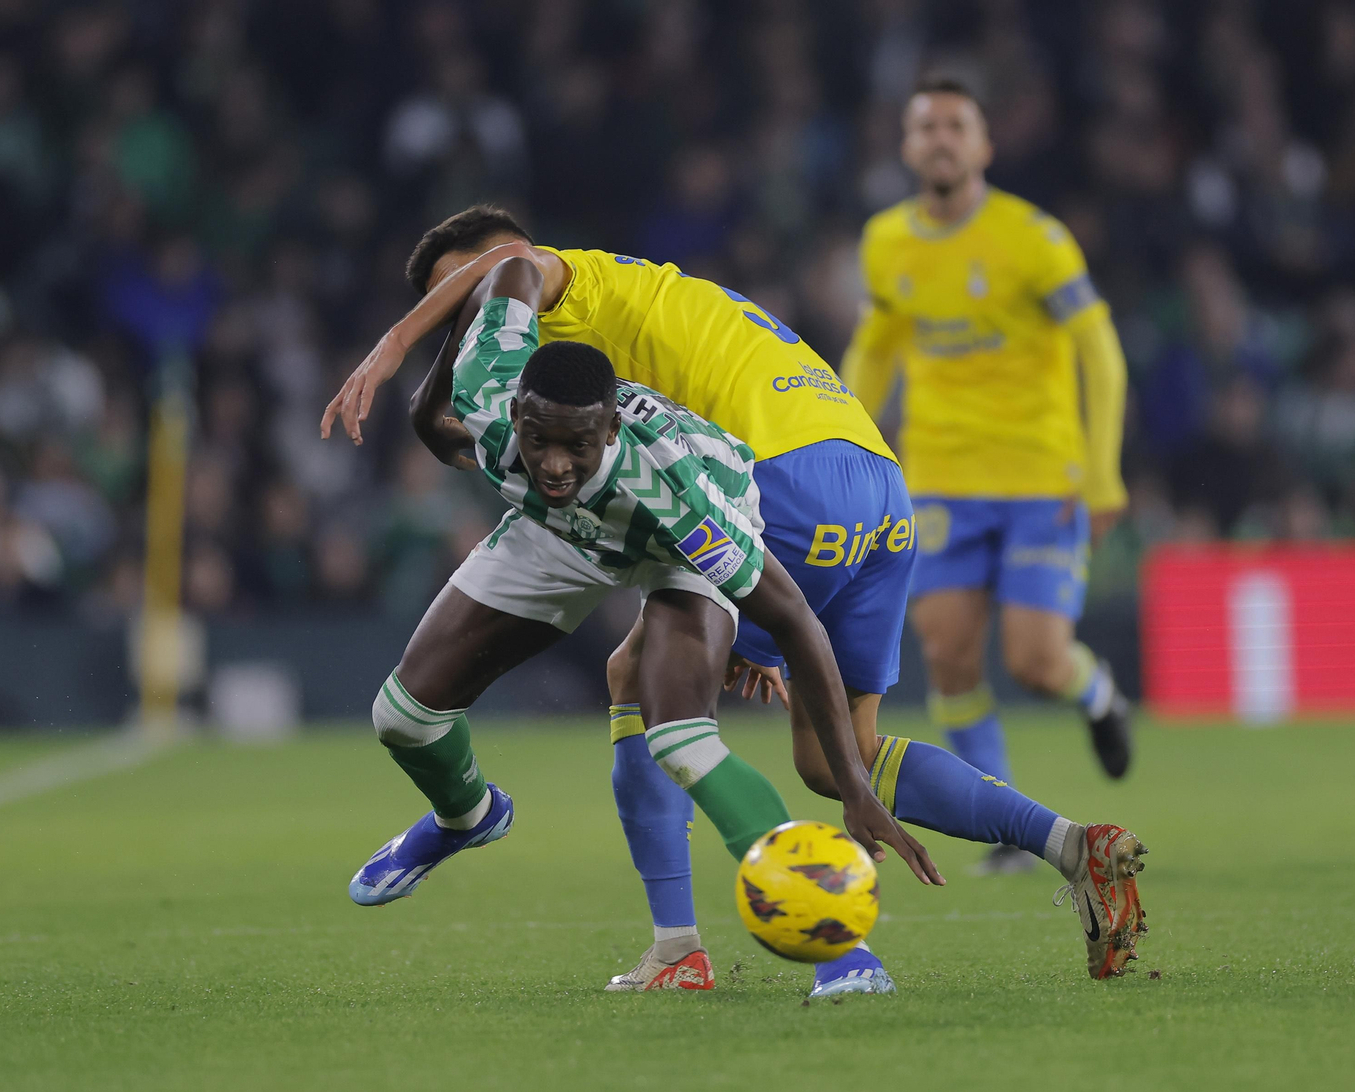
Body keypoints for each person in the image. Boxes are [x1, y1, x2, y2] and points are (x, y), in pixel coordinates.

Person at [322, 212, 1149, 991]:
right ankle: (1070, 845)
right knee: (836, 757)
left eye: (461, 294)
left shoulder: (566, 290)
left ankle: (687, 948)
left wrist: (394, 343)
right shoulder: (553, 365)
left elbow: (507, 275)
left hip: (772, 480)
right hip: (869, 474)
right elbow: (457, 424)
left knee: (639, 683)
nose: (464, 313)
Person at [343, 255, 945, 978]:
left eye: (579, 445)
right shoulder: (491, 390)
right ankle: (469, 816)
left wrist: (852, 786)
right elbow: (511, 270)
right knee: (402, 718)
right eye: (541, 441)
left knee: (680, 737)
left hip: (664, 544)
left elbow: (796, 624)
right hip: (556, 530)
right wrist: (410, 359)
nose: (558, 462)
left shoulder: (676, 499)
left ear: (609, 429)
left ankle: (843, 954)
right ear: (515, 416)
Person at [840, 75, 1134, 874]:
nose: (940, 137)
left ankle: (1098, 693)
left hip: (1042, 475)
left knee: (1037, 661)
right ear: (906, 147)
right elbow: (876, 350)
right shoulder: (885, 242)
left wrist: (1102, 474)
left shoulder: (1033, 239)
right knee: (948, 653)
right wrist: (837, 444)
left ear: (983, 146)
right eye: (925, 125)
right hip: (938, 477)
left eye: (955, 125)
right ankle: (1005, 821)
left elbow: (1098, 351)